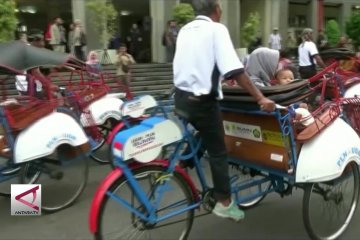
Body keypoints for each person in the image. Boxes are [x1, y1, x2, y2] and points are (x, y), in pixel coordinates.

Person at [173, 0, 275, 222]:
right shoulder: (216, 29)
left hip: (180, 97)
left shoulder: (184, 29)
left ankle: (182, 165)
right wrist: (260, 97)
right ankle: (224, 202)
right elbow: (235, 69)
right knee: (218, 151)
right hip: (202, 102)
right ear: (216, 10)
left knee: (202, 133)